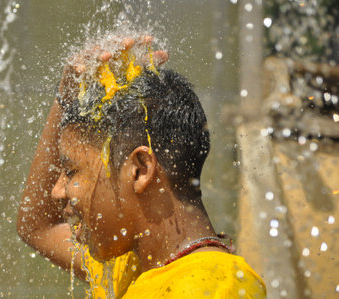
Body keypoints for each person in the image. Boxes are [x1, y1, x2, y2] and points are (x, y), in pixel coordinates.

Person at [17, 34, 266, 298]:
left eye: (71, 171)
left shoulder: (210, 287)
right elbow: (38, 225)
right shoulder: (134, 268)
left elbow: (39, 225)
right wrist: (66, 97)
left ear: (140, 169)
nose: (58, 192)